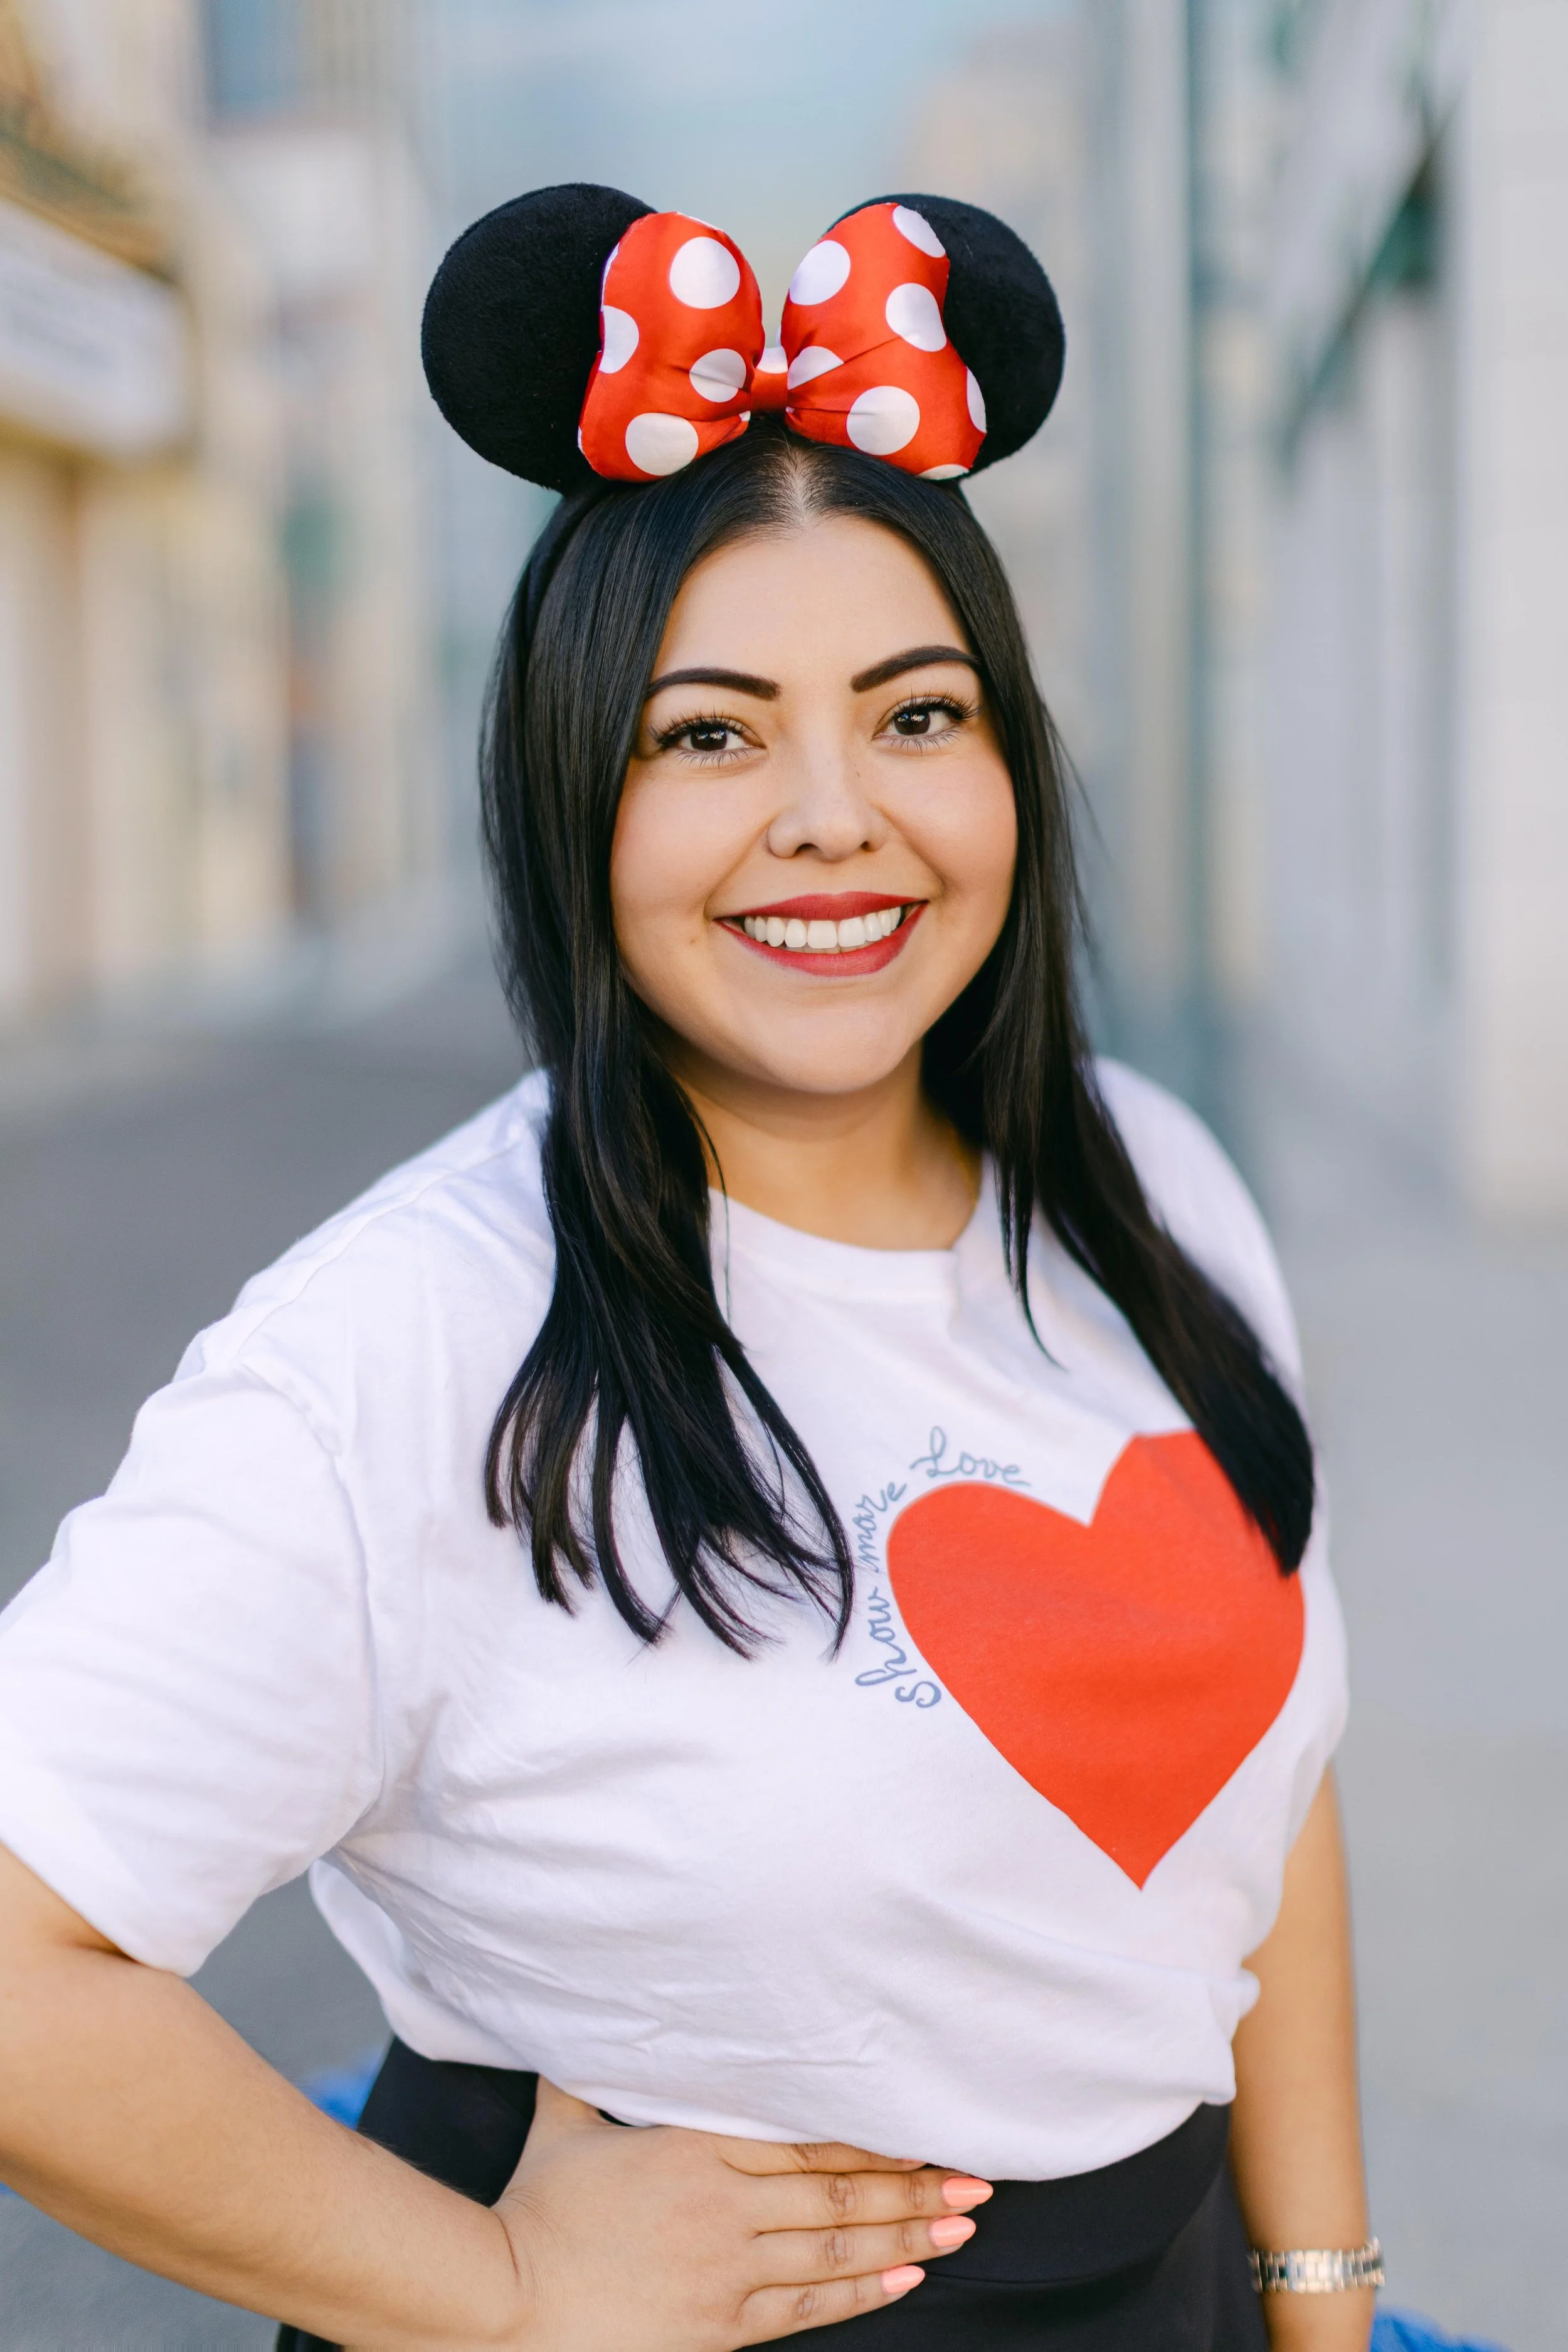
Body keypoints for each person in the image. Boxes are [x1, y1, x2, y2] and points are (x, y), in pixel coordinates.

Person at [0, 186, 1380, 2349]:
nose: (834, 814)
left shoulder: (1157, 1185)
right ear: (577, 795)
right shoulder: (412, 1340)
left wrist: (1316, 2296)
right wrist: (504, 2284)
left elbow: (1259, 1797)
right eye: (708, 732)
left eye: (916, 714)